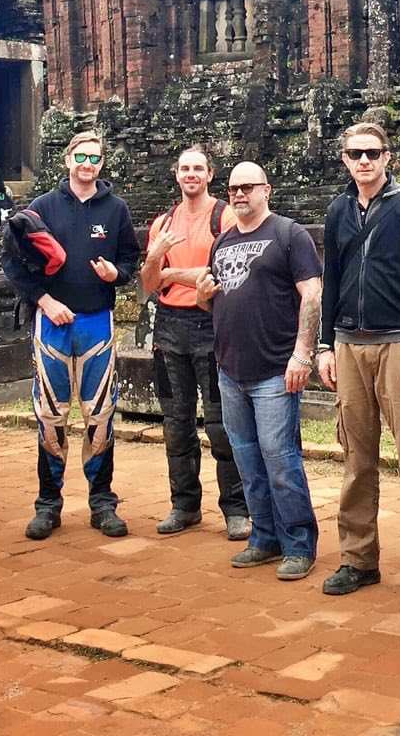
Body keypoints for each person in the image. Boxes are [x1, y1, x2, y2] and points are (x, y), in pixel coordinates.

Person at [315, 121, 400, 610]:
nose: (365, 161)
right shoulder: (338, 210)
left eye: (373, 153)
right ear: (345, 159)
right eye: (356, 154)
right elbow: (332, 280)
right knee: (355, 456)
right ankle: (358, 558)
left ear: (388, 157)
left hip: (399, 344)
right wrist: (324, 344)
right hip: (349, 343)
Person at [3, 130, 141, 541]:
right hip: (53, 324)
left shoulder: (115, 209)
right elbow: (12, 262)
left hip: (97, 322)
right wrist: (44, 300)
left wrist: (116, 274)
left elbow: (130, 259)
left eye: (95, 159)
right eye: (81, 157)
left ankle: (102, 502)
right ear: (67, 160)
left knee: (99, 415)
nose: (88, 165)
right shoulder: (41, 208)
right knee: (50, 415)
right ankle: (49, 503)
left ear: (102, 164)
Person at [196, 162, 321, 580]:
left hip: (274, 369)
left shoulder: (289, 235)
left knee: (280, 459)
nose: (239, 194)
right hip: (230, 368)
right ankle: (264, 537)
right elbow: (216, 298)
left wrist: (302, 354)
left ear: (267, 190)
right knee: (247, 459)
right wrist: (200, 296)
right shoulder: (223, 241)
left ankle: (299, 543)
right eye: (233, 188)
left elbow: (312, 296)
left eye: (248, 187)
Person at [142, 146, 248, 540]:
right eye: (185, 168)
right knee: (176, 422)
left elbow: (225, 271)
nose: (191, 174)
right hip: (169, 327)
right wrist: (157, 261)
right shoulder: (163, 222)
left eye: (198, 168)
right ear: (176, 174)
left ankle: (236, 508)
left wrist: (172, 271)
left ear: (210, 174)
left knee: (221, 424)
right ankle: (183, 505)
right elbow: (150, 283)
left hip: (211, 323)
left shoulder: (226, 216)